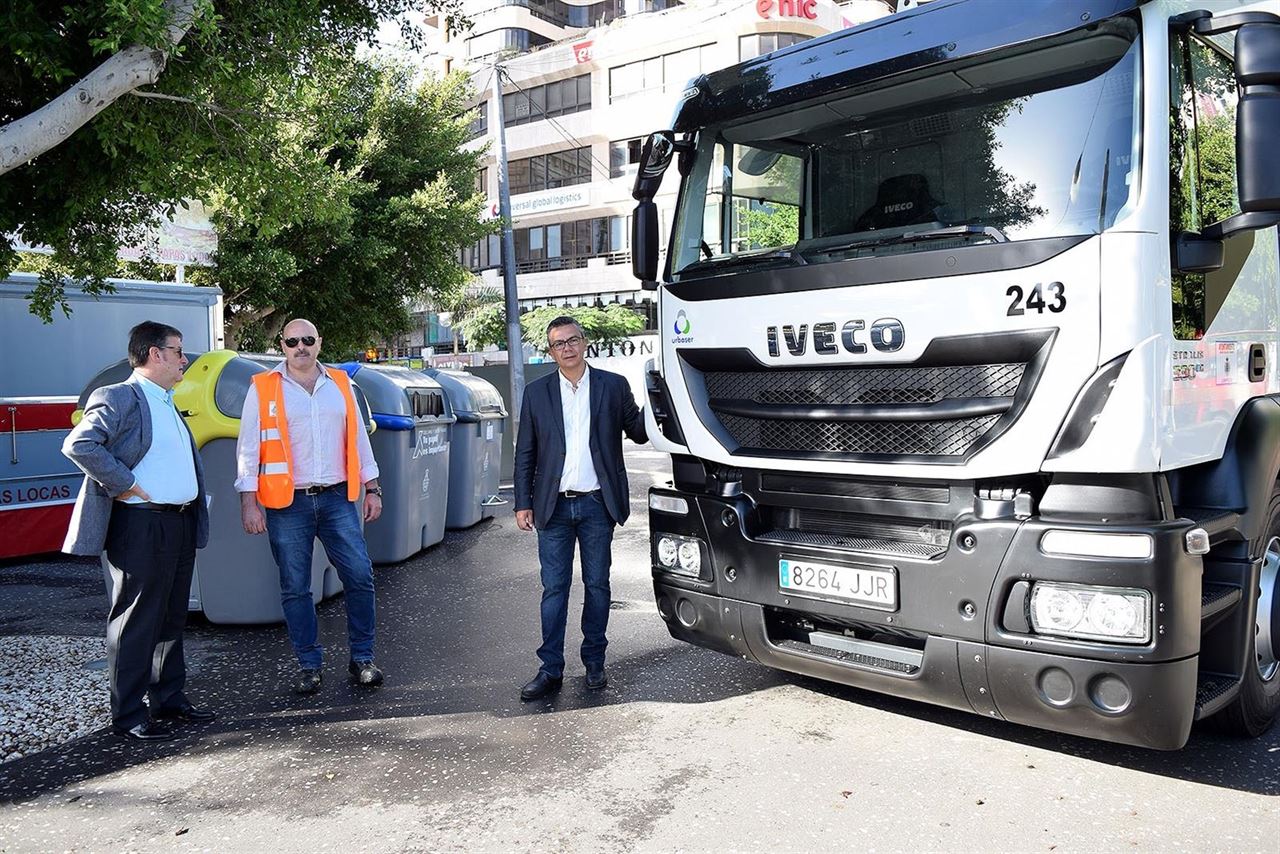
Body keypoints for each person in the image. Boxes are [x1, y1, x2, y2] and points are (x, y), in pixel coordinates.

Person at [62, 321, 214, 742]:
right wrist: (123, 483)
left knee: (171, 615)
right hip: (141, 524)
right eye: (178, 350)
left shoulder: (166, 399)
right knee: (134, 621)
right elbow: (80, 444)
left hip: (177, 522)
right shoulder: (118, 396)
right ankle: (129, 713)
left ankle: (169, 698)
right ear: (154, 353)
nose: (184, 359)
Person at [235, 318, 385, 694]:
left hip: (337, 497)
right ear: (282, 346)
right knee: (295, 588)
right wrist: (248, 503)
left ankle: (363, 659)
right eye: (291, 341)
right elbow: (248, 449)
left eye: (307, 340)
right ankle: (309, 665)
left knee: (359, 577)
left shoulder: (341, 383)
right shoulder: (263, 388)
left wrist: (373, 488)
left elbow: (359, 439)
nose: (299, 347)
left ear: (319, 342)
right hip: (288, 504)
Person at [514, 316, 647, 701]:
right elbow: (526, 452)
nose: (567, 348)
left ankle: (594, 662)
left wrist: (660, 395)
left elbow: (638, 431)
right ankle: (550, 669)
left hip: (595, 504)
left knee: (597, 585)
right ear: (551, 351)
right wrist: (523, 502)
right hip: (553, 507)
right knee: (553, 589)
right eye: (559, 343)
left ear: (584, 342)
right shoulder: (537, 393)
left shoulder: (612, 385)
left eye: (572, 340)